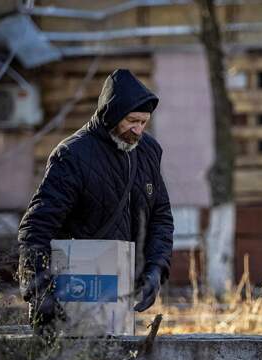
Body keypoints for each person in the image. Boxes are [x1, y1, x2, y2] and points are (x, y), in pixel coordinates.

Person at [18, 69, 174, 330]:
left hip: (120, 289)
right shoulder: (73, 155)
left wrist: (156, 269)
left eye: (143, 122)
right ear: (111, 115)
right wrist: (38, 290)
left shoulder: (148, 151)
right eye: (131, 121)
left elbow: (161, 216)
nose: (137, 130)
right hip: (72, 289)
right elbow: (36, 227)